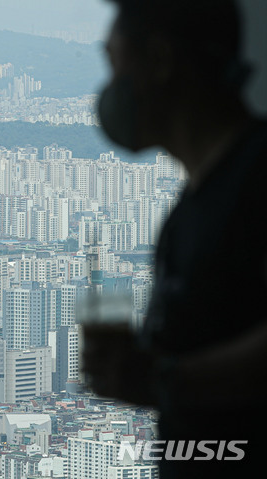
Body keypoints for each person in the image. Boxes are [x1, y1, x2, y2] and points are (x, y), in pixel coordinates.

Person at [82, 0, 267, 477]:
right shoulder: (191, 210)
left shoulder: (259, 176)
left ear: (160, 60)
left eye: (115, 61)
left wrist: (166, 381)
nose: (109, 87)